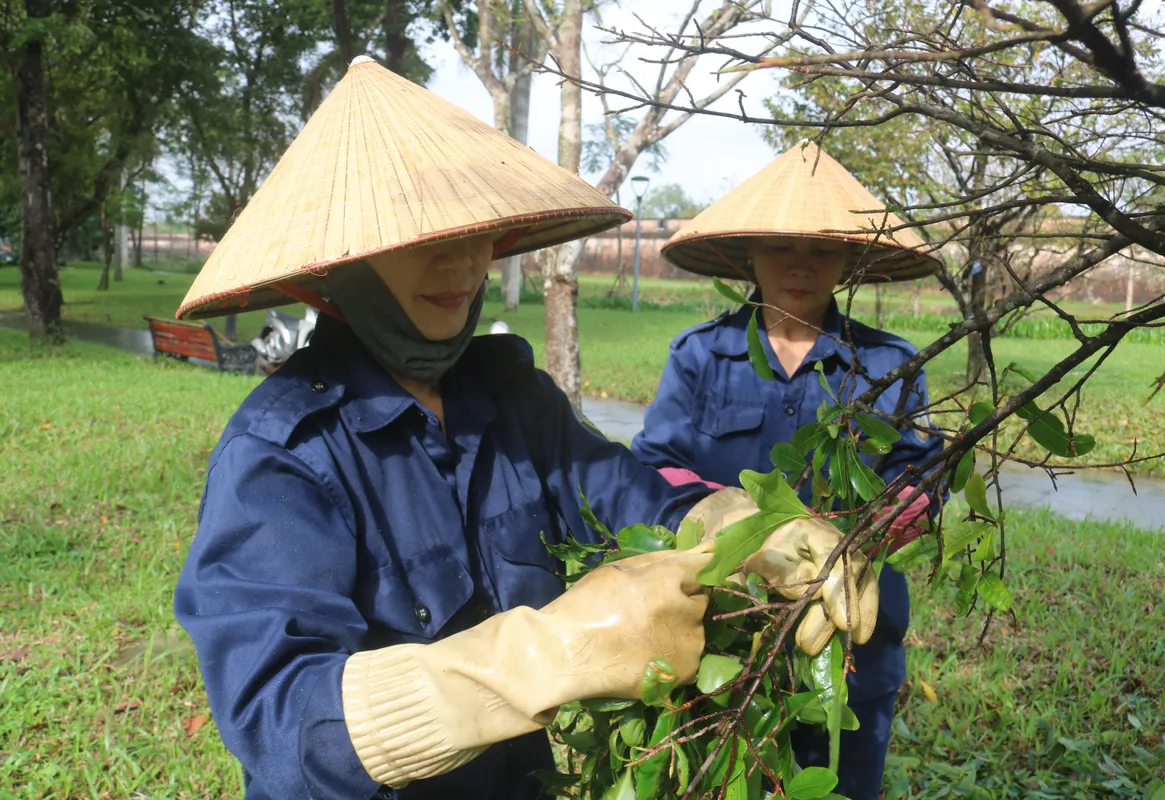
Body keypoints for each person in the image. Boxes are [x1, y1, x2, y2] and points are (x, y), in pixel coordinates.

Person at [173, 59, 878, 800]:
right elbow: (277, 720)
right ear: (343, 262)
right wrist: (537, 659)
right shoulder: (284, 455)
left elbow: (623, 490)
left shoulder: (510, 397)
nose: (464, 262)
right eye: (420, 236)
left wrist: (744, 525)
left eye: (478, 231)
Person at [631, 141, 944, 800]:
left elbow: (920, 474)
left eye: (822, 249)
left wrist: (887, 518)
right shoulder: (700, 357)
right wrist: (735, 528)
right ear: (749, 255)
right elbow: (654, 468)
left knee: (834, 781)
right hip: (721, 629)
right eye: (780, 247)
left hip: (850, 633)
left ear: (849, 258)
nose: (800, 266)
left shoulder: (889, 363)